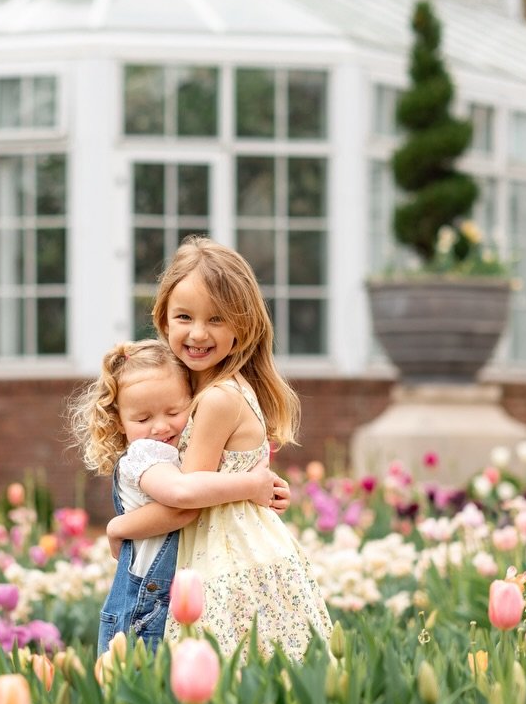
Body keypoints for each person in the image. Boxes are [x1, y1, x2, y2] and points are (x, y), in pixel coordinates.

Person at [109, 236, 334, 660]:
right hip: (243, 551)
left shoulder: (216, 399)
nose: (197, 332)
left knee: (227, 678)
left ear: (243, 326)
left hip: (225, 563)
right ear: (163, 319)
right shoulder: (201, 387)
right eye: (184, 316)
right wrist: (254, 483)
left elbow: (186, 504)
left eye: (216, 319)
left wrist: (118, 527)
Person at [69, 339, 287, 655]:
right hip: (144, 606)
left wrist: (266, 486)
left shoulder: (180, 450)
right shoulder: (145, 456)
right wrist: (251, 485)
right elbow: (182, 499)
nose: (160, 426)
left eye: (174, 411)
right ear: (119, 421)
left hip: (165, 598)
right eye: (142, 419)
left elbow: (212, 484)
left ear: (192, 400)